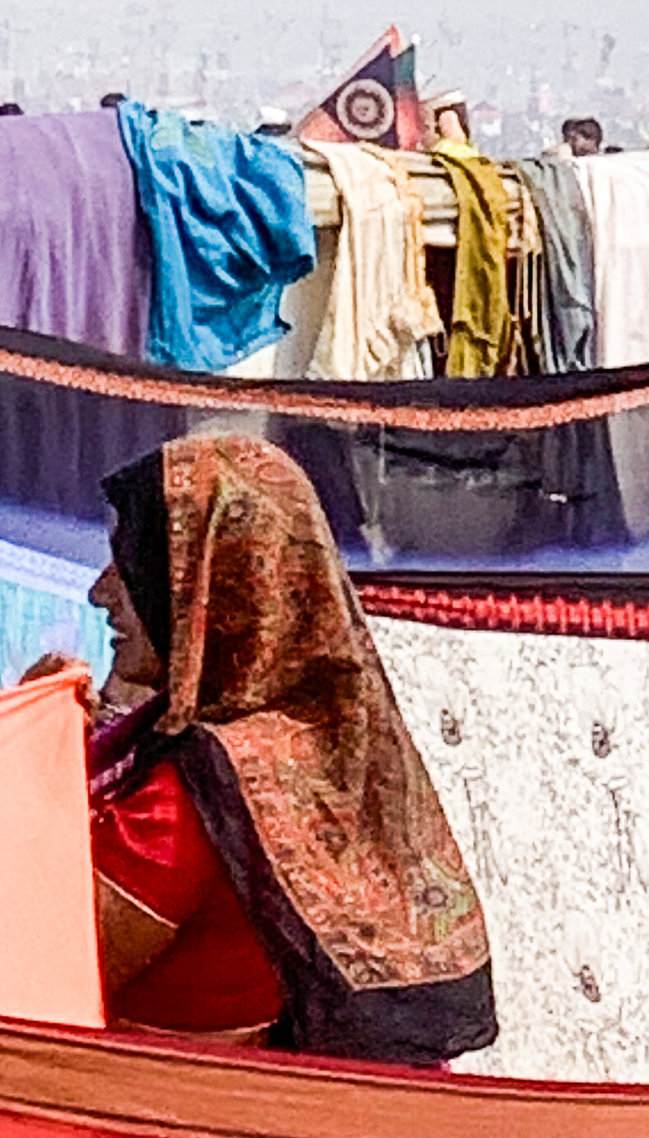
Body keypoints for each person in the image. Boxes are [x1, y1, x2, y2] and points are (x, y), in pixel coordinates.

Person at [78, 437, 495, 1061]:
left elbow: (47, 970)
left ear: (209, 584)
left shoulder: (200, 795)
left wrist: (19, 772)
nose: (101, 592)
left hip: (164, 1134)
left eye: (128, 565)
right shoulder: (327, 745)